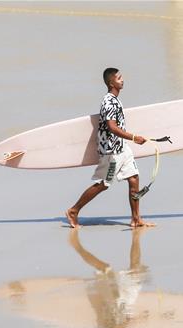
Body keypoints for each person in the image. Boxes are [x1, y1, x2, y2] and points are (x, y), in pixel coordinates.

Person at [66, 68, 155, 228]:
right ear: (111, 82)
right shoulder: (108, 102)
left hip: (122, 148)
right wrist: (134, 137)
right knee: (103, 184)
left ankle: (136, 219)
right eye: (119, 78)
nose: (123, 80)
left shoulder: (116, 99)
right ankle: (73, 210)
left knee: (134, 178)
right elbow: (112, 127)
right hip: (111, 152)